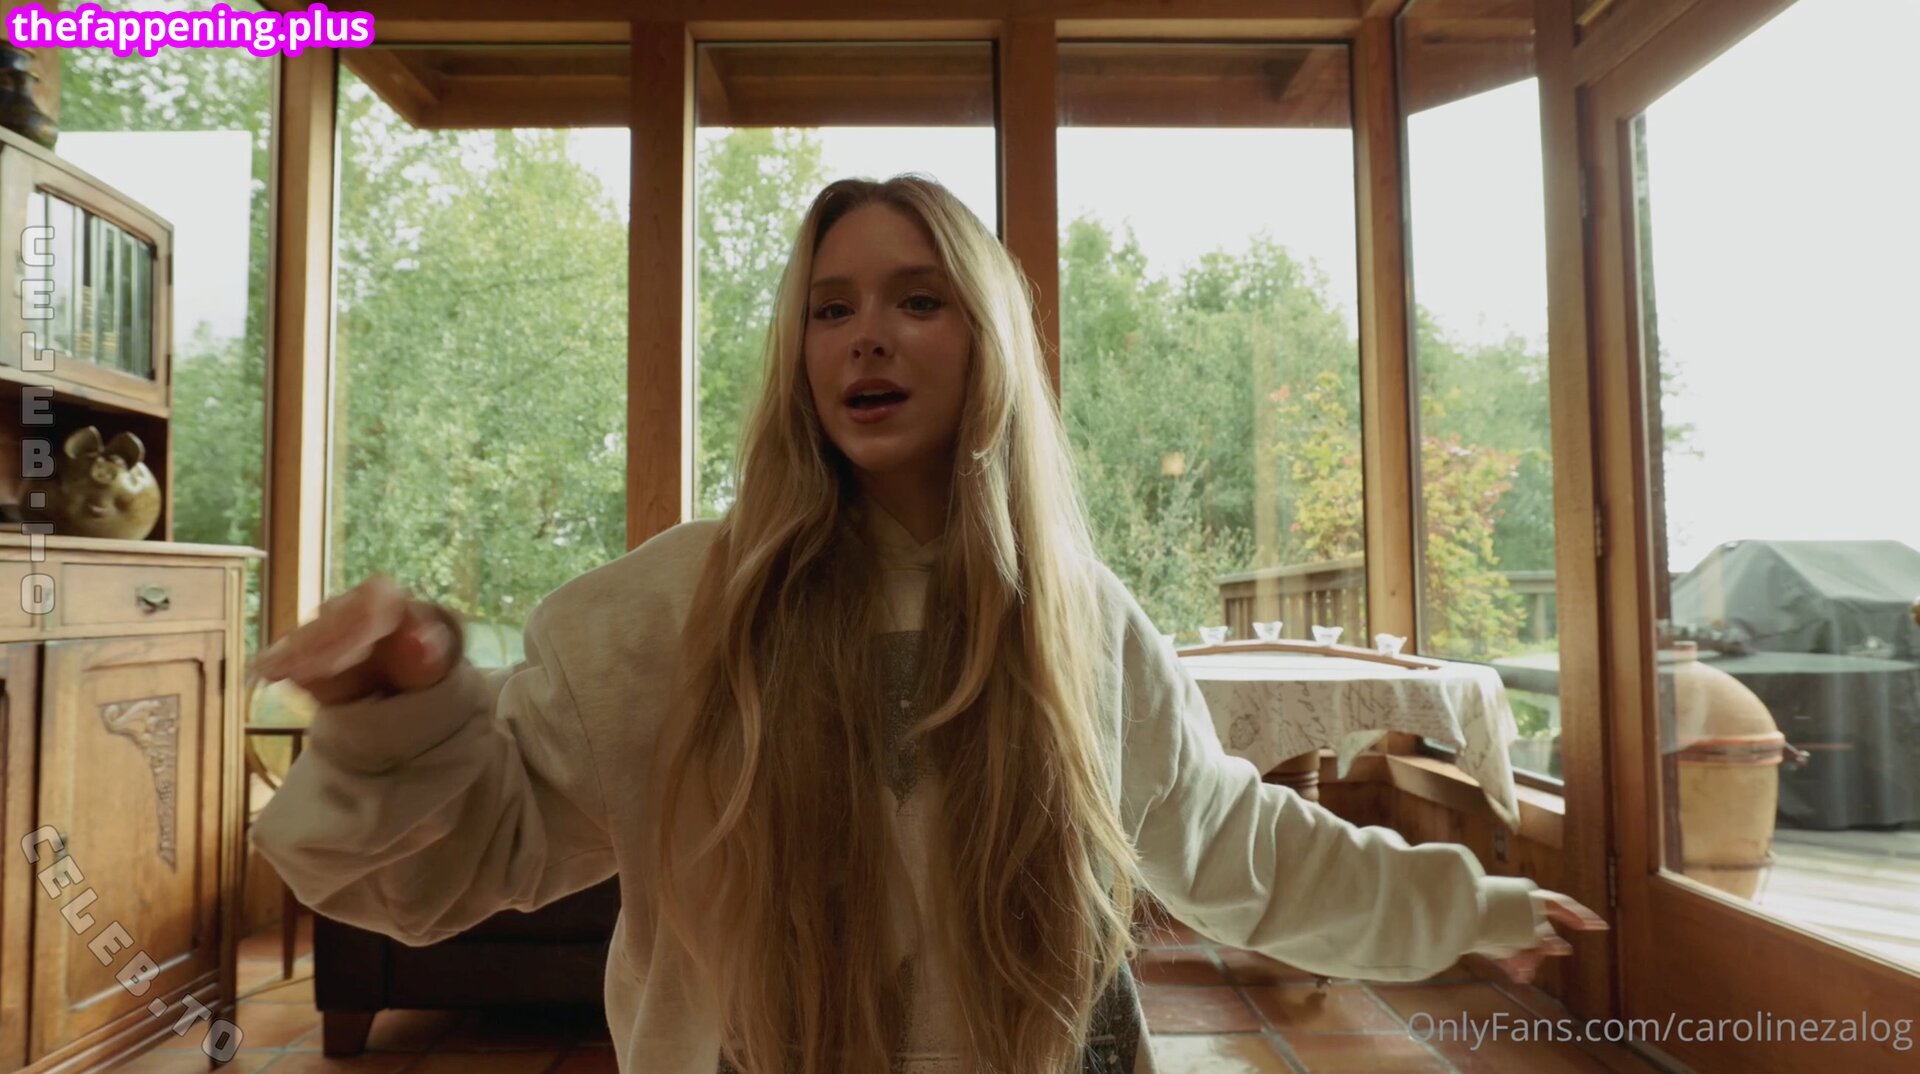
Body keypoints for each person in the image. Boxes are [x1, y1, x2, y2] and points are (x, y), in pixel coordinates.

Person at [248, 174, 1604, 1074]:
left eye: (917, 300)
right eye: (830, 310)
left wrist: (1458, 904)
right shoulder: (668, 611)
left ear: (989, 340)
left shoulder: (1078, 615)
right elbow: (444, 868)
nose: (867, 338)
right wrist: (394, 716)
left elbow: (1222, 837)